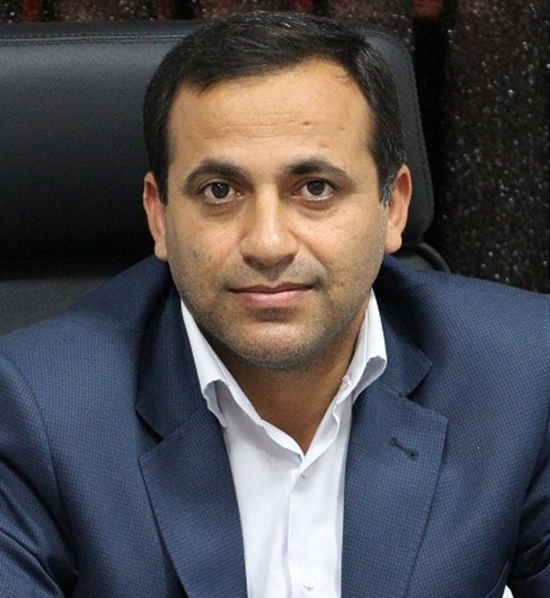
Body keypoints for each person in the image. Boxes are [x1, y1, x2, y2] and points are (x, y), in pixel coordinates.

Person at [0, 10, 548, 598]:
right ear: (159, 216)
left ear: (393, 207)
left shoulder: (524, 373)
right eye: (220, 191)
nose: (267, 244)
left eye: (315, 188)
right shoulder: (35, 409)